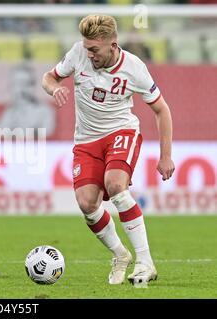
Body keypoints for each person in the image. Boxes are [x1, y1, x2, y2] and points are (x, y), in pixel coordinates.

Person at [42, 15, 175, 285]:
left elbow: (162, 110)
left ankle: (145, 262)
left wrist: (166, 156)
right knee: (86, 204)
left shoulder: (134, 68)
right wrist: (54, 88)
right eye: (86, 48)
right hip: (86, 141)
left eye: (95, 50)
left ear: (113, 45)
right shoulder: (78, 53)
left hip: (120, 132)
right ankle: (120, 254)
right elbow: (48, 77)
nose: (89, 54)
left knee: (115, 185)